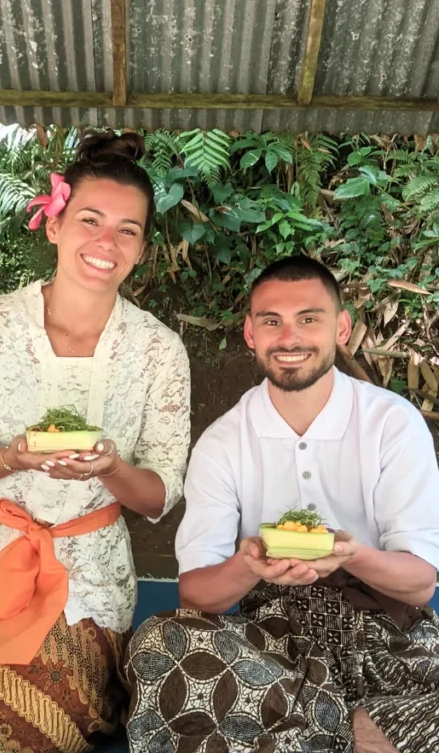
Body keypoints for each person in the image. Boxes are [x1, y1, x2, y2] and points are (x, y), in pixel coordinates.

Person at [126, 255, 439, 753]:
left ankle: (316, 732)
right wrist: (251, 565)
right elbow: (197, 594)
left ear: (341, 327)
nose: (289, 338)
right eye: (272, 321)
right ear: (251, 333)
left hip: (387, 638)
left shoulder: (392, 424)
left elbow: (421, 583)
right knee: (159, 643)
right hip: (268, 644)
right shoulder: (223, 442)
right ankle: (359, 731)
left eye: (308, 319)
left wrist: (350, 554)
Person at [0, 130, 191, 753]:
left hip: (84, 589)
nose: (107, 243)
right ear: (53, 225)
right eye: (90, 219)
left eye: (128, 230)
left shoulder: (158, 350)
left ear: (141, 247)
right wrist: (11, 458)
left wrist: (110, 468)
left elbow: (158, 496)